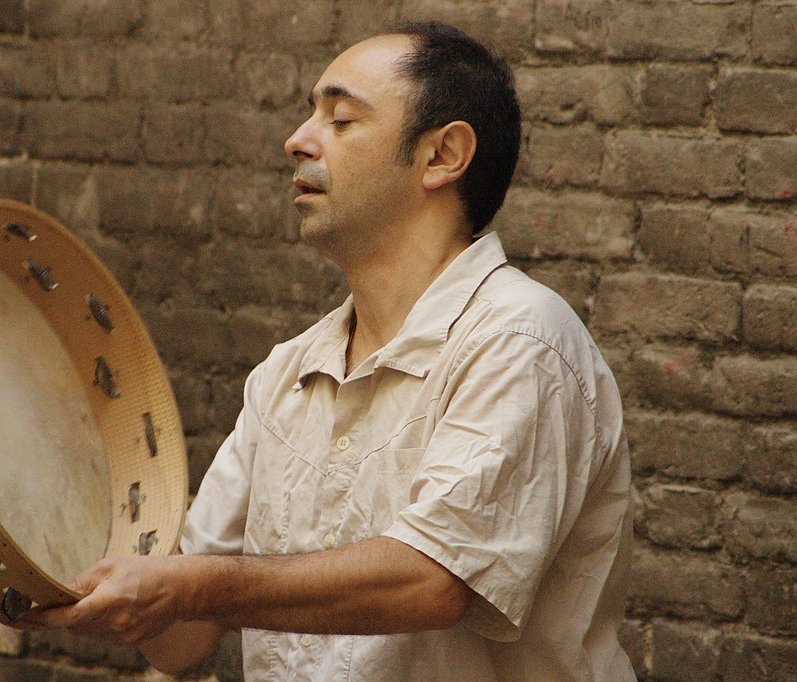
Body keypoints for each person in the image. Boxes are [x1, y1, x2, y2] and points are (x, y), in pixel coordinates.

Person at [39, 21, 636, 681]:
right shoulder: (285, 374)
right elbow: (184, 641)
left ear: (442, 156)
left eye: (341, 118)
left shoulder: (520, 340)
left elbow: (432, 581)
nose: (296, 139)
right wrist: (70, 547)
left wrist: (187, 585)